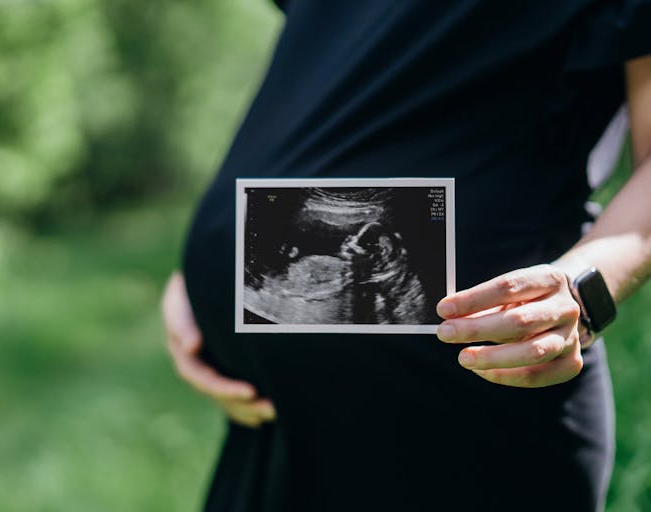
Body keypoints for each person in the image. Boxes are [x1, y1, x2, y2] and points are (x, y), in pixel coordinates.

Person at [161, 1, 651, 510]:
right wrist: (218, 256)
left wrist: (583, 291)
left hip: (462, 411)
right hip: (276, 415)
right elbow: (328, 80)